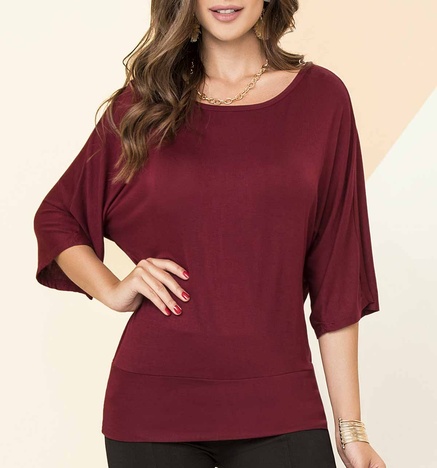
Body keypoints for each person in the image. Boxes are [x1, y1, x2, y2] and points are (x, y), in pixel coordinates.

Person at [33, 1, 387, 467]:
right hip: (152, 407)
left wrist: (351, 430)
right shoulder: (144, 105)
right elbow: (57, 216)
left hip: (280, 403)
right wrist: (113, 290)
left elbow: (337, 275)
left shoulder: (322, 99)